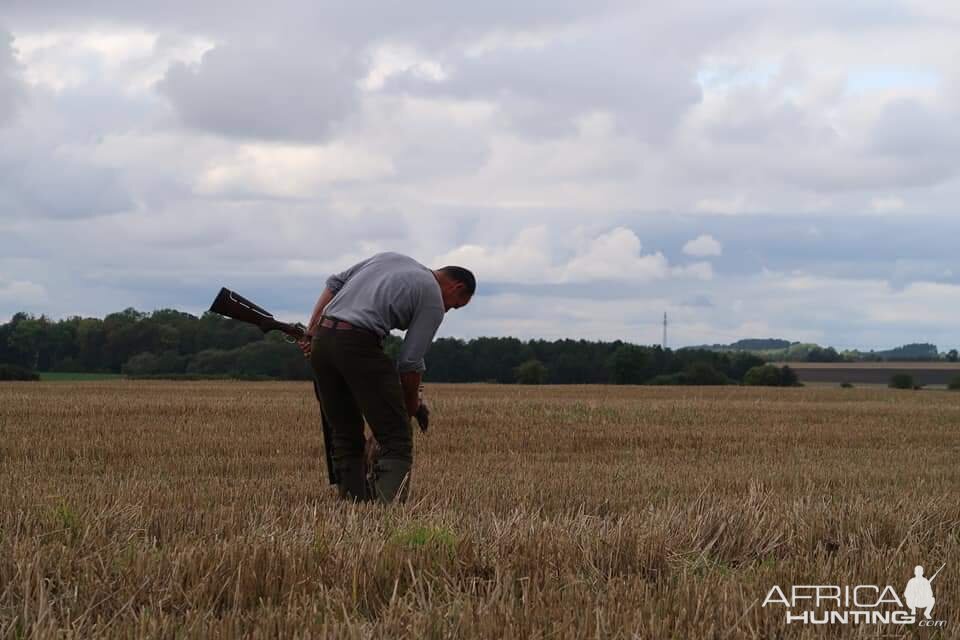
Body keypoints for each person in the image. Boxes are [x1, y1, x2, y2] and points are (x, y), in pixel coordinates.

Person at [299, 252, 475, 503]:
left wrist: (312, 329)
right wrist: (412, 406)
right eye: (455, 304)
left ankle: (353, 504)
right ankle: (386, 513)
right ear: (456, 287)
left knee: (344, 432)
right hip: (358, 344)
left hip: (323, 341)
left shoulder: (391, 258)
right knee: (395, 436)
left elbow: (334, 283)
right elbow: (410, 363)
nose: (447, 310)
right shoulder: (433, 298)